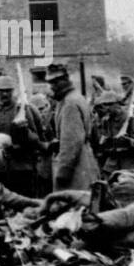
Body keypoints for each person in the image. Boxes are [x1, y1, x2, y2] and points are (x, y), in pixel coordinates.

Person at [0, 74, 45, 196]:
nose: (4, 94)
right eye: (1, 91)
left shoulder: (22, 109)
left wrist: (24, 131)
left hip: (22, 167)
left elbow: (36, 139)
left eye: (8, 91)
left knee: (24, 204)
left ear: (13, 91)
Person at [48, 62, 98, 191]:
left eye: (56, 82)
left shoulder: (69, 103)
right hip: (83, 159)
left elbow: (72, 142)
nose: (52, 87)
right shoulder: (76, 98)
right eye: (51, 83)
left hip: (75, 166)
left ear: (65, 80)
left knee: (72, 205)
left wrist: (63, 171)